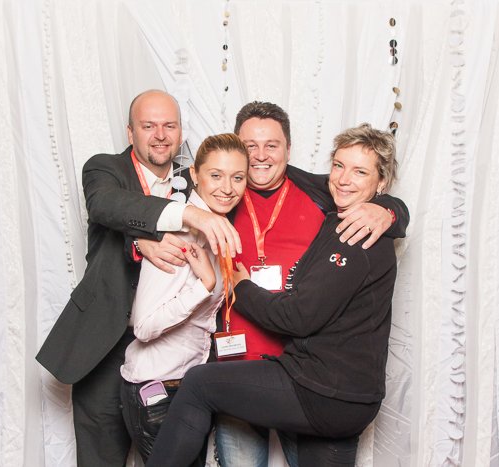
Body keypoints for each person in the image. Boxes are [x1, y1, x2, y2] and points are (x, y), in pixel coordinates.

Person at [140, 101, 409, 467]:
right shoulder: (219, 192)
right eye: (250, 146)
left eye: (272, 145)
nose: (260, 156)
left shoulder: (340, 213)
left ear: (288, 150)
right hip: (268, 367)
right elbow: (144, 209)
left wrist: (389, 210)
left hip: (313, 380)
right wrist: (140, 241)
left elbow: (300, 314)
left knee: (200, 384)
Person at [35, 90, 241, 467]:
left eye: (170, 126)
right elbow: (107, 206)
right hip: (105, 343)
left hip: (170, 350)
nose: (160, 135)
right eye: (149, 126)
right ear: (131, 132)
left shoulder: (196, 178)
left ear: (181, 132)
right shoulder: (105, 169)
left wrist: (368, 205)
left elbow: (253, 182)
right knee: (101, 458)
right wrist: (150, 235)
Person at [120, 133, 249, 464]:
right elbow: (144, 327)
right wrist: (204, 286)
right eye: (216, 175)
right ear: (194, 174)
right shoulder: (179, 233)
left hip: (189, 388)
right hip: (158, 391)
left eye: (237, 177)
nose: (227, 188)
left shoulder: (216, 230)